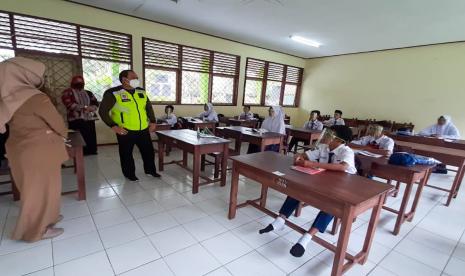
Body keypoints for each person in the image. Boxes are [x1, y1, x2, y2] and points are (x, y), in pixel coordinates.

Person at [259, 125, 356, 257]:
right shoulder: (323, 147)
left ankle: (307, 237)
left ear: (340, 140)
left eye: (331, 134)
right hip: (324, 182)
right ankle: (281, 219)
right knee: (299, 189)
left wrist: (313, 164)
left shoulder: (346, 151)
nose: (327, 136)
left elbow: (342, 166)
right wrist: (299, 156)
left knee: (332, 205)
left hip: (343, 187)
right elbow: (306, 155)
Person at [0, 57, 68, 241]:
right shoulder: (34, 97)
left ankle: (49, 218)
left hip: (19, 149)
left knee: (35, 188)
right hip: (39, 150)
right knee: (40, 190)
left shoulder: (7, 97)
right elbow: (57, 122)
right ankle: (36, 231)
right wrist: (63, 135)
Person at [98, 70, 160, 181]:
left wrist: (153, 121)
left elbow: (148, 107)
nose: (137, 80)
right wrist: (113, 126)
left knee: (148, 152)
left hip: (143, 128)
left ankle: (151, 171)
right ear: (124, 80)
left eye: (137, 77)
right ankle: (129, 174)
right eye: (134, 78)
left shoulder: (141, 91)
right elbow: (103, 111)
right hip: (125, 130)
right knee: (126, 154)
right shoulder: (113, 93)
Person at [61, 75, 99, 155]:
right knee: (78, 136)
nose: (79, 83)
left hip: (89, 118)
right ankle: (78, 153)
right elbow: (69, 104)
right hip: (76, 119)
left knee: (90, 135)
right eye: (77, 82)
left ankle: (91, 151)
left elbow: (95, 102)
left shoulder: (88, 92)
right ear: (73, 83)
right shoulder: (67, 92)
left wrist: (92, 108)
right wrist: (85, 108)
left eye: (81, 82)